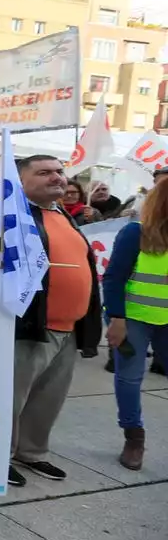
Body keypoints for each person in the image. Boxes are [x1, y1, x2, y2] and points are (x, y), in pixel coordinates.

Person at [0, 155, 101, 487]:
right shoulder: (4, 216)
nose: (57, 178)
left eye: (59, 171)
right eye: (44, 172)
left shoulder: (63, 217)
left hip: (67, 329)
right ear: (20, 180)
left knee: (48, 397)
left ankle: (31, 452)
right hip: (26, 327)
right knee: (10, 397)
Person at [100, 183, 168, 471]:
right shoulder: (135, 233)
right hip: (133, 319)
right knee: (129, 379)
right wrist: (117, 320)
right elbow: (113, 278)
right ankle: (134, 437)